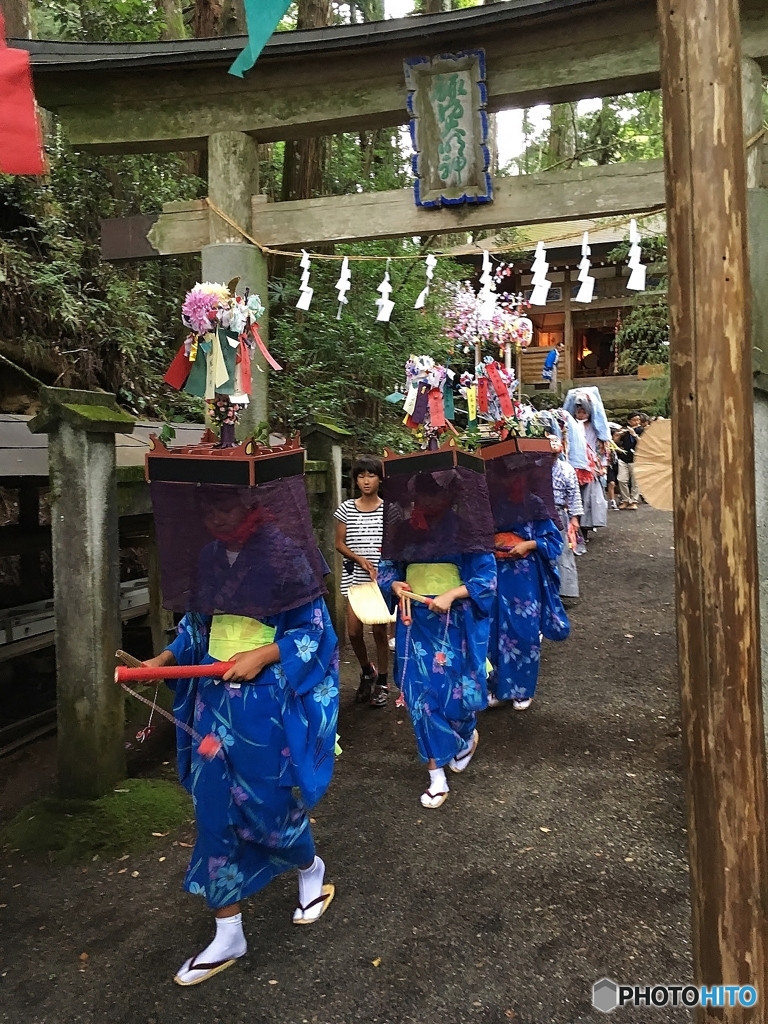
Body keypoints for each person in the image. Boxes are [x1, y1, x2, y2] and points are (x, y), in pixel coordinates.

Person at [145, 467, 339, 987]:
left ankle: (308, 867)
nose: (216, 518)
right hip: (212, 701)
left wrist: (265, 653)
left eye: (226, 507)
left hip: (263, 702)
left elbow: (314, 631)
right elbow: (197, 624)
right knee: (213, 809)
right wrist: (167, 656)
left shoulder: (285, 553)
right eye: (208, 510)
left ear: (252, 505)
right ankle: (227, 927)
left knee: (267, 806)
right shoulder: (209, 557)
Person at [378, 461, 496, 810]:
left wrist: (453, 594)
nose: (427, 502)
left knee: (455, 696)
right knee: (419, 697)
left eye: (435, 494)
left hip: (454, 622)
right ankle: (436, 775)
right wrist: (393, 583)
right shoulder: (402, 530)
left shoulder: (466, 528)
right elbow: (387, 569)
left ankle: (464, 736)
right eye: (422, 494)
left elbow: (486, 578)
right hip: (415, 622)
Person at [484, 449, 570, 711]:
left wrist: (530, 544)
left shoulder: (534, 503)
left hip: (524, 575)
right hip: (494, 572)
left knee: (523, 631)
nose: (510, 480)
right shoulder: (489, 505)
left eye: (514, 475)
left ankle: (522, 689)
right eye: (504, 475)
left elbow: (555, 541)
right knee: (492, 629)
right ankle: (497, 686)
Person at [334, 456, 389, 706]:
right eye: (361, 476)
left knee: (379, 631)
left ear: (380, 478)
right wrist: (359, 559)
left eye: (371, 475)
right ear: (355, 479)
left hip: (380, 580)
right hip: (355, 579)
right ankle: (368, 670)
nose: (366, 481)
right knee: (354, 632)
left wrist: (383, 564)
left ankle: (383, 683)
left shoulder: (389, 509)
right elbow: (339, 543)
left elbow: (394, 543)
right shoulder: (346, 508)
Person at [551, 453, 584, 600]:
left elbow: (574, 495)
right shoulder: (536, 467)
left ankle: (565, 589)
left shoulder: (566, 469)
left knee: (564, 550)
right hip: (539, 513)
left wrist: (574, 517)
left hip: (559, 512)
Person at [616, 412, 642, 509]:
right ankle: (625, 500)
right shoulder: (624, 429)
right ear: (629, 421)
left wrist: (634, 434)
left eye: (638, 420)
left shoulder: (641, 430)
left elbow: (643, 443)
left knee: (635, 481)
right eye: (634, 420)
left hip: (636, 459)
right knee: (621, 479)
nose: (636, 422)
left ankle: (634, 501)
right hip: (624, 458)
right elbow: (616, 442)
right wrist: (618, 435)